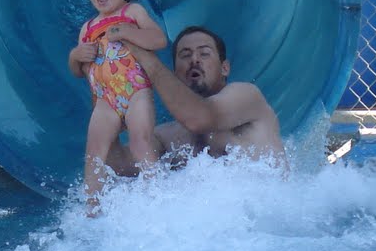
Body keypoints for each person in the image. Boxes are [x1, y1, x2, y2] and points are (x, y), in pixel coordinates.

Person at [66, 0, 168, 205]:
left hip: (136, 91)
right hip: (105, 100)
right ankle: (92, 207)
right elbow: (78, 71)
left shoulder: (132, 12)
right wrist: (76, 56)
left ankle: (157, 198)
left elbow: (158, 40)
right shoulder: (87, 28)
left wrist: (127, 32)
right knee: (94, 150)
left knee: (140, 141)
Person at [113, 24, 286, 169]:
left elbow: (200, 118)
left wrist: (145, 57)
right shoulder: (167, 136)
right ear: (174, 74)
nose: (194, 59)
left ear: (225, 68)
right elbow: (118, 167)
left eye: (204, 53)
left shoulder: (247, 96)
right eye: (185, 55)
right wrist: (110, 117)